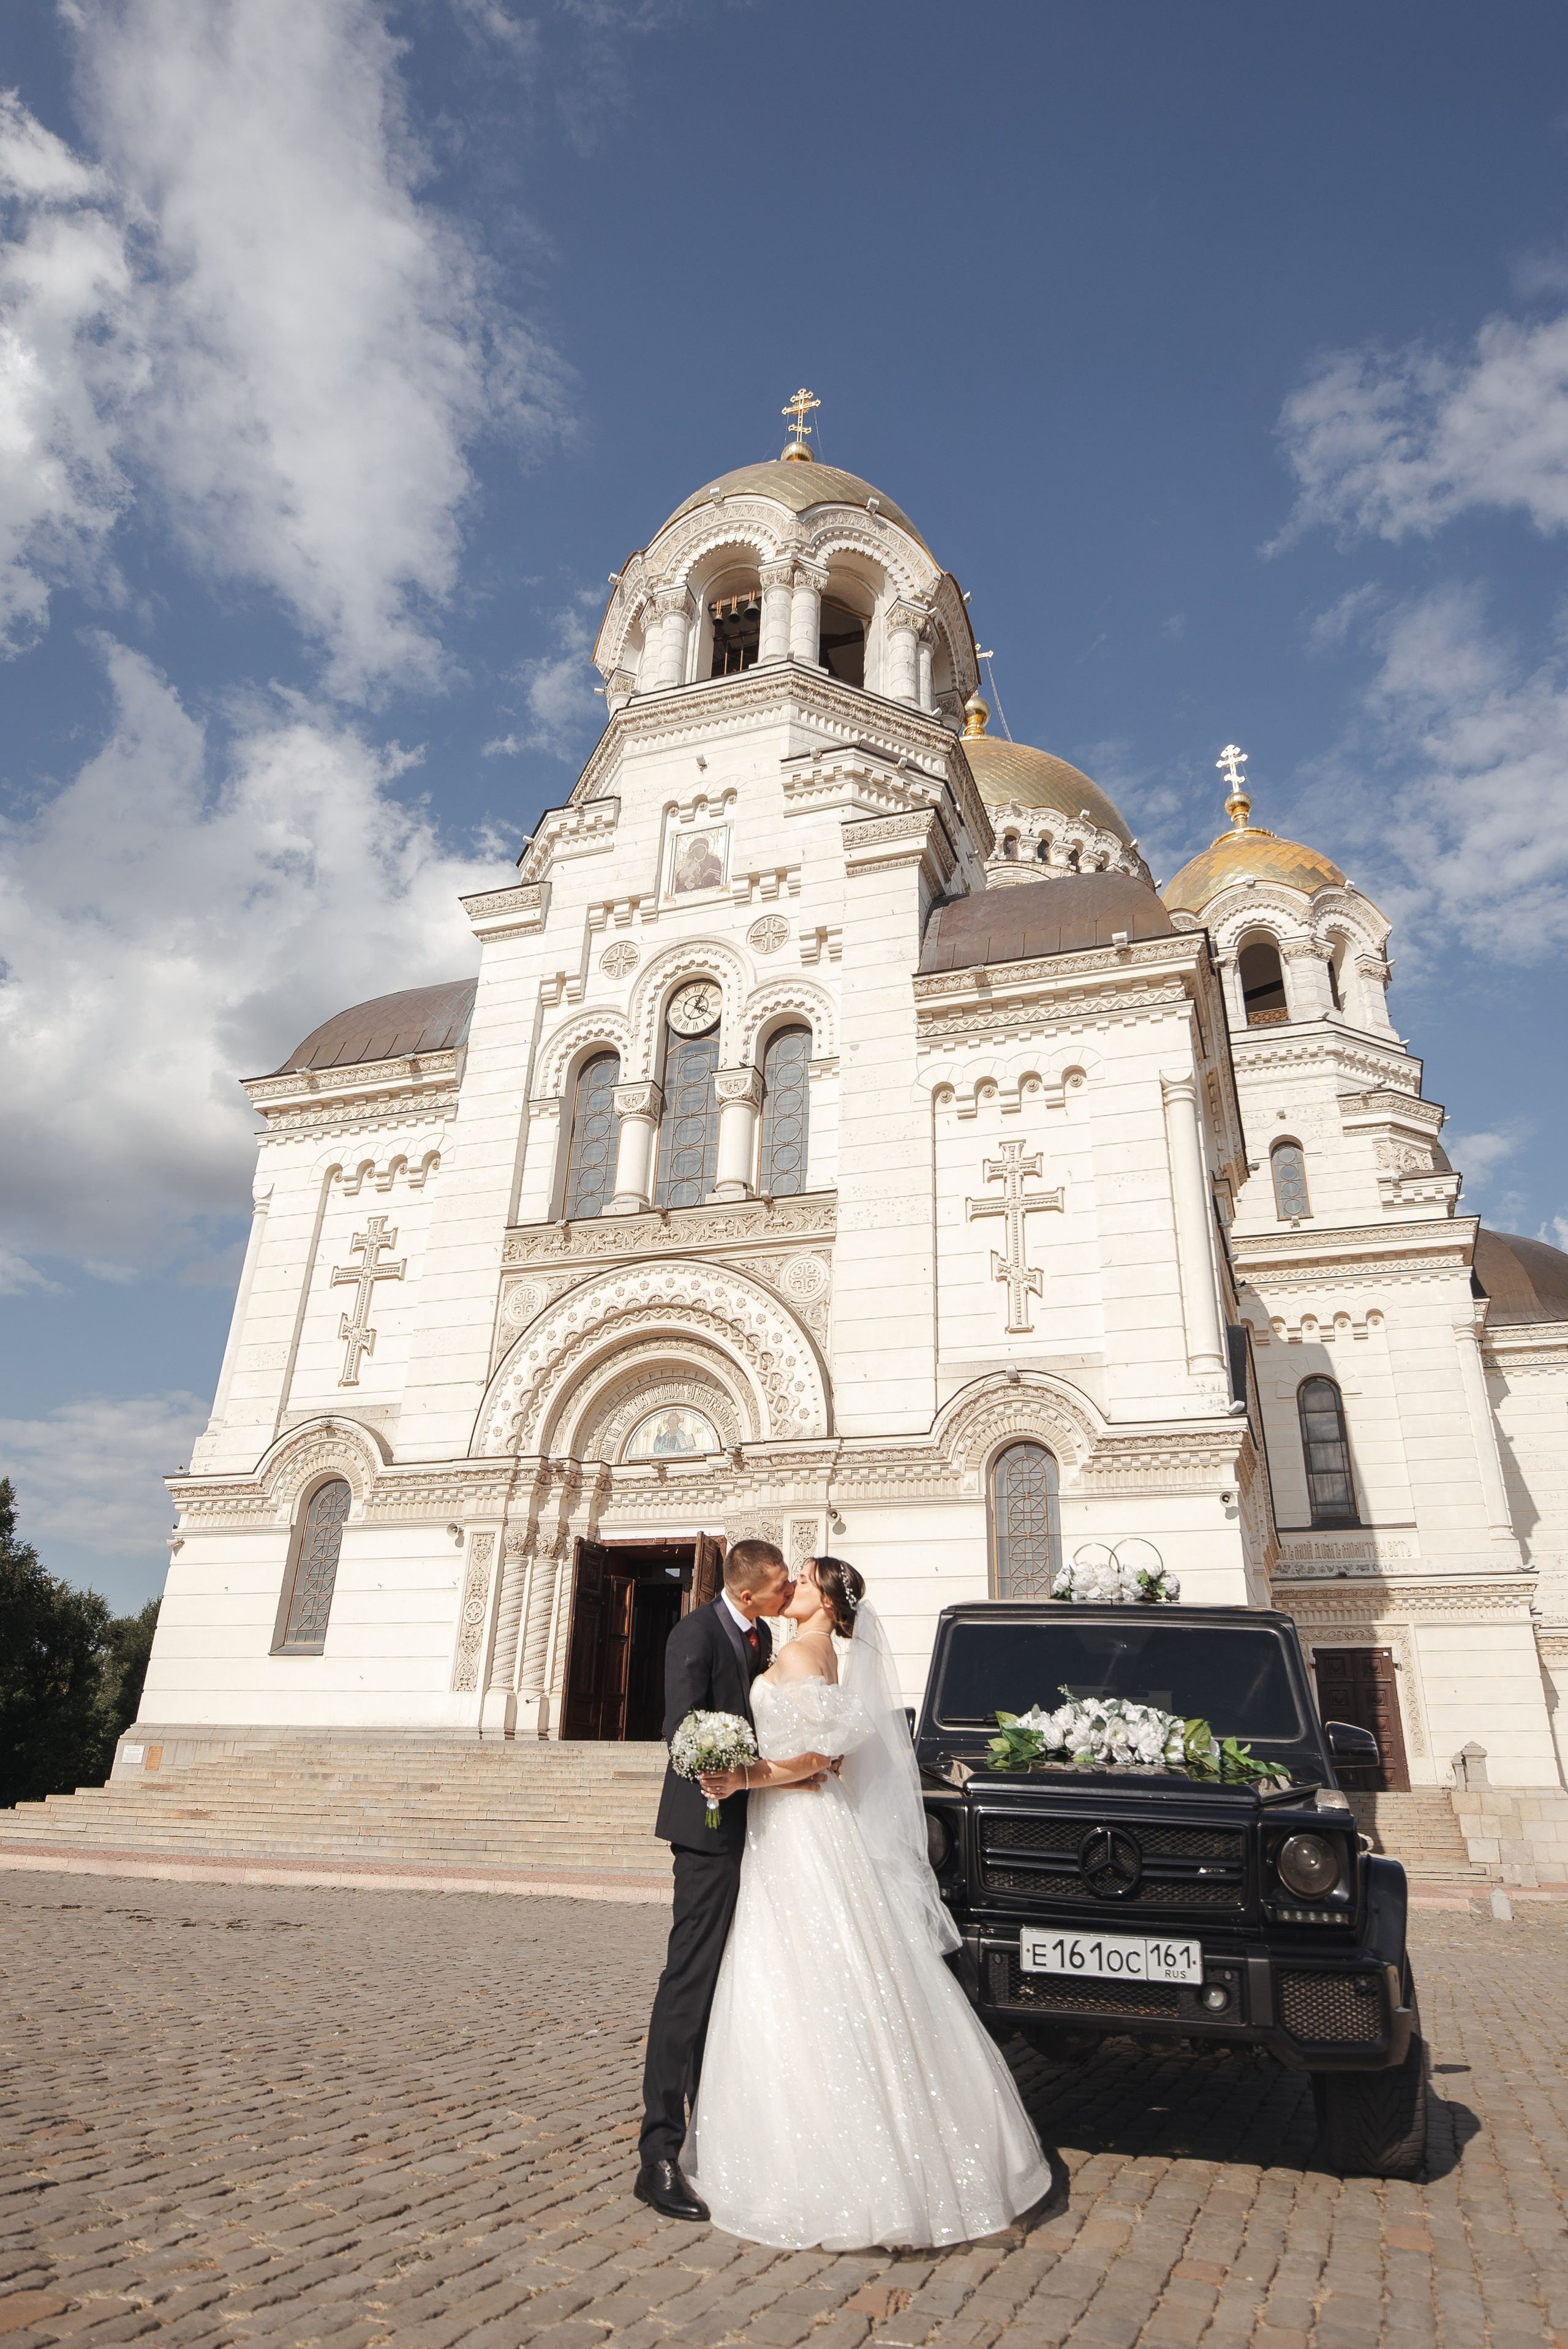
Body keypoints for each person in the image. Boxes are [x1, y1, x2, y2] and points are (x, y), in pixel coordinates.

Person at [682, 1558, 1052, 2250]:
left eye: (804, 1574)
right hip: (793, 1826)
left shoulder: (804, 1652)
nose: (791, 1580)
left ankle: (843, 2168)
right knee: (821, 1970)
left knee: (803, 1977)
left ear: (826, 1596)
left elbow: (822, 1758)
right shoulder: (817, 1651)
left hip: (797, 1828)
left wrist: (743, 1776)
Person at [636, 1539, 832, 2222]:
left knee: (732, 1986)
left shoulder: (758, 1636)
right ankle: (657, 2152)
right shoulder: (693, 1634)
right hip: (709, 1833)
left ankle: (714, 2138)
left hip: (763, 1830)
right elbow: (680, 1730)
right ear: (746, 1594)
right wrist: (726, 1769)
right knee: (689, 1982)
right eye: (780, 1586)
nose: (787, 1593)